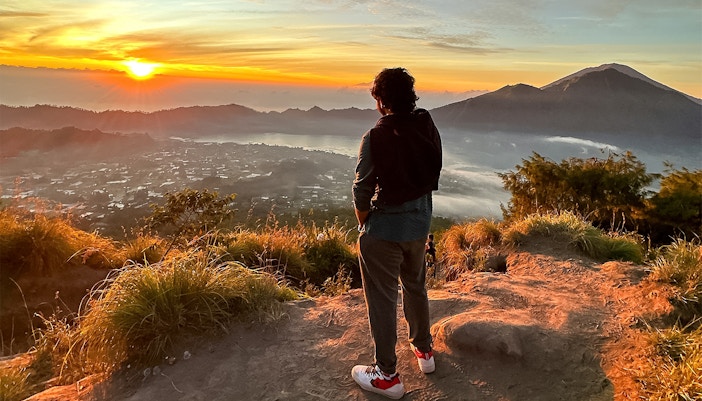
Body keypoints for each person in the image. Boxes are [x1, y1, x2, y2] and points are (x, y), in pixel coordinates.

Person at [351, 67, 442, 399]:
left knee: (383, 298)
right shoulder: (426, 123)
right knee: (415, 285)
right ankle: (424, 351)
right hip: (420, 225)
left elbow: (361, 191)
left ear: (379, 100)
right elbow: (432, 169)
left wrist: (365, 223)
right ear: (410, 95)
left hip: (384, 232)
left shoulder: (375, 137)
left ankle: (387, 375)